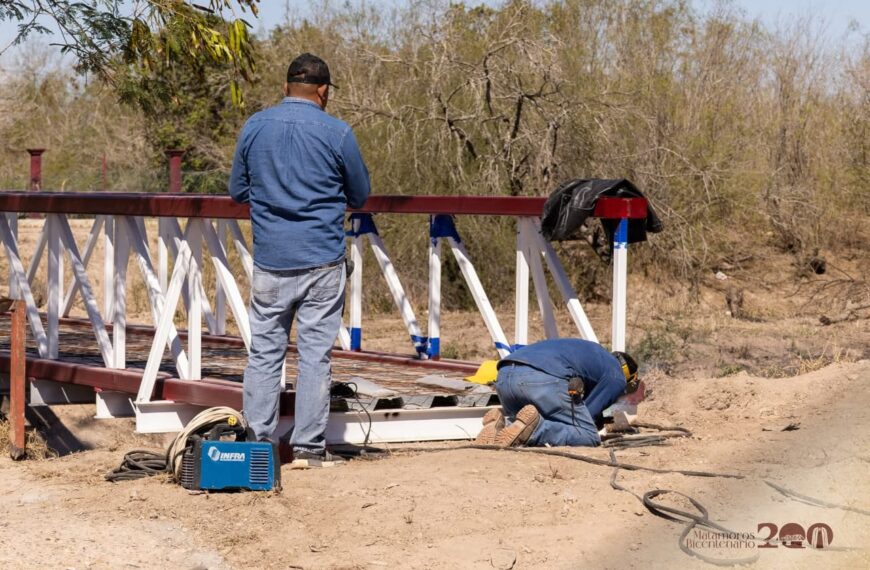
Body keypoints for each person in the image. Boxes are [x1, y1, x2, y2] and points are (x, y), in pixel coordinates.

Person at [229, 53, 371, 468]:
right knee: (314, 357)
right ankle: (309, 451)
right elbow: (359, 196)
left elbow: (238, 191)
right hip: (321, 260)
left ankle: (257, 444)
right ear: (324, 91)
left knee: (264, 354)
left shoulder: (255, 126)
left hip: (272, 259)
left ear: (285, 86)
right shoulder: (337, 133)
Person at [476, 338, 638, 447]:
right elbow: (586, 416)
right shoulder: (617, 375)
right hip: (539, 379)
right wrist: (601, 423)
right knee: (589, 436)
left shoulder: (592, 352)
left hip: (504, 377)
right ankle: (537, 430)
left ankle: (501, 426)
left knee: (528, 418)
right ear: (627, 374)